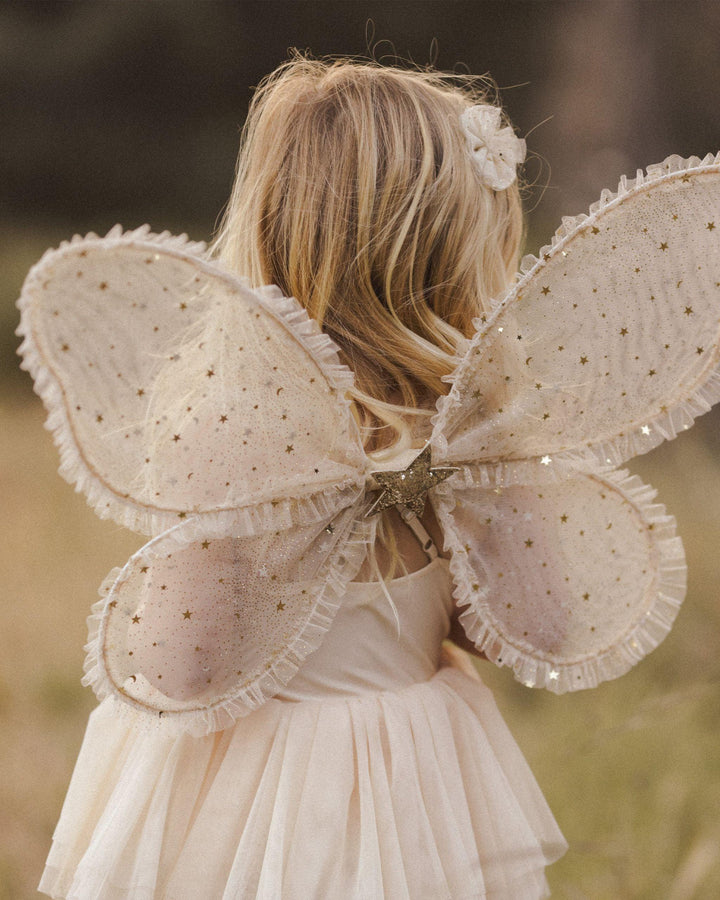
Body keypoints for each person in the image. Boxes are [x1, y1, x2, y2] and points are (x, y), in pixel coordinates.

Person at [22, 53, 719, 899]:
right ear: (458, 254)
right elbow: (539, 624)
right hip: (415, 781)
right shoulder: (481, 435)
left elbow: (183, 668)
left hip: (255, 793)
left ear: (274, 226)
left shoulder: (235, 423)